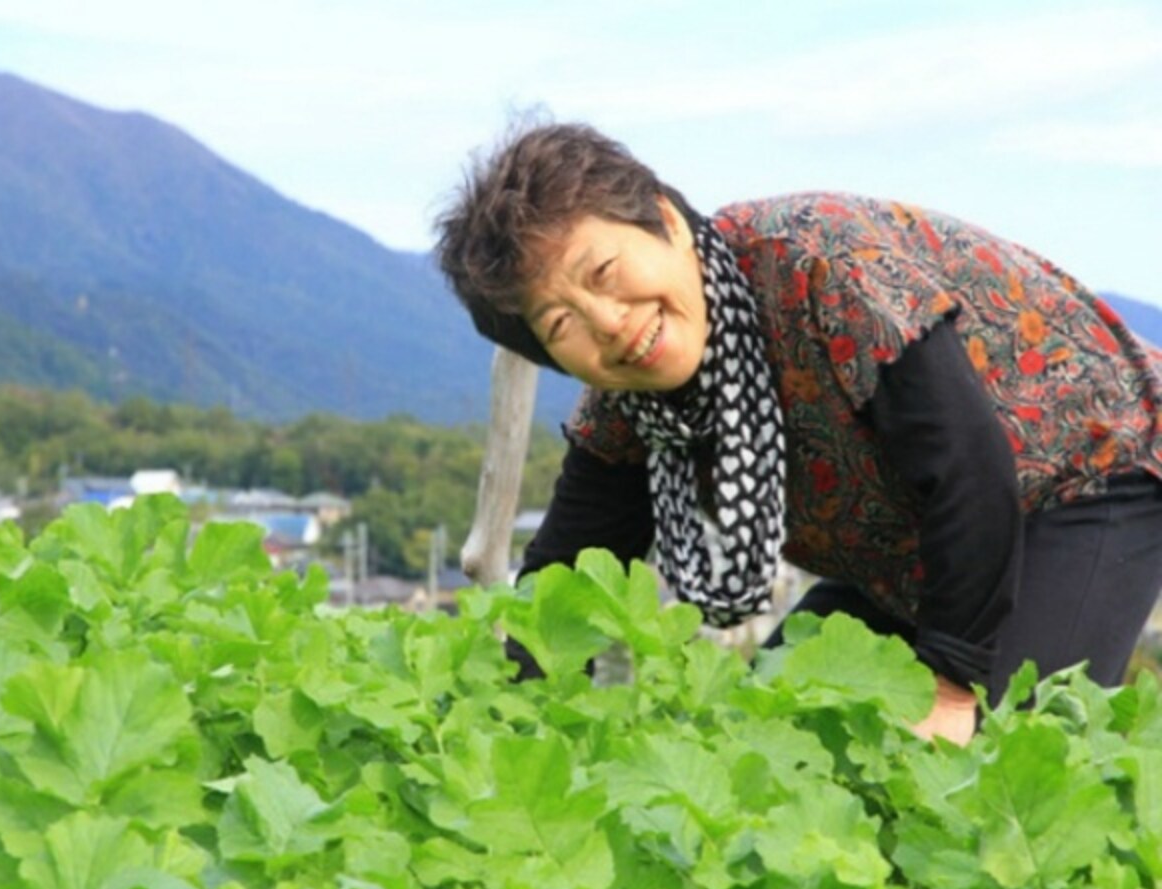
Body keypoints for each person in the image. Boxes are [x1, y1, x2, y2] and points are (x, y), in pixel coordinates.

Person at [434, 122, 1162, 745]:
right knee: (777, 735)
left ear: (667, 222)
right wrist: (516, 733)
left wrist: (948, 684)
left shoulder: (821, 269)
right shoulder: (632, 403)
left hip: (1092, 472)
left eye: (606, 272)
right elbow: (566, 581)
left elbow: (970, 475)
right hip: (912, 553)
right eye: (563, 324)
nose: (612, 322)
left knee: (1005, 756)